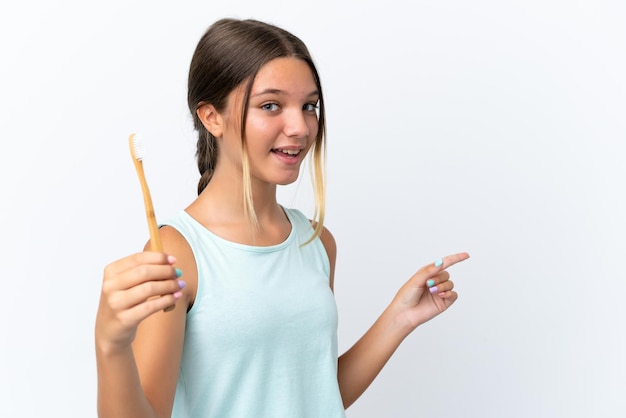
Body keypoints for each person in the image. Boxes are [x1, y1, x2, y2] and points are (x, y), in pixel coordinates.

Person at [95, 17, 469, 418]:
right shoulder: (177, 254)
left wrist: (399, 317)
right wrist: (110, 346)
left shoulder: (316, 241)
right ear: (211, 117)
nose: (300, 127)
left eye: (309, 106)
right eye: (270, 105)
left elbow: (316, 394)